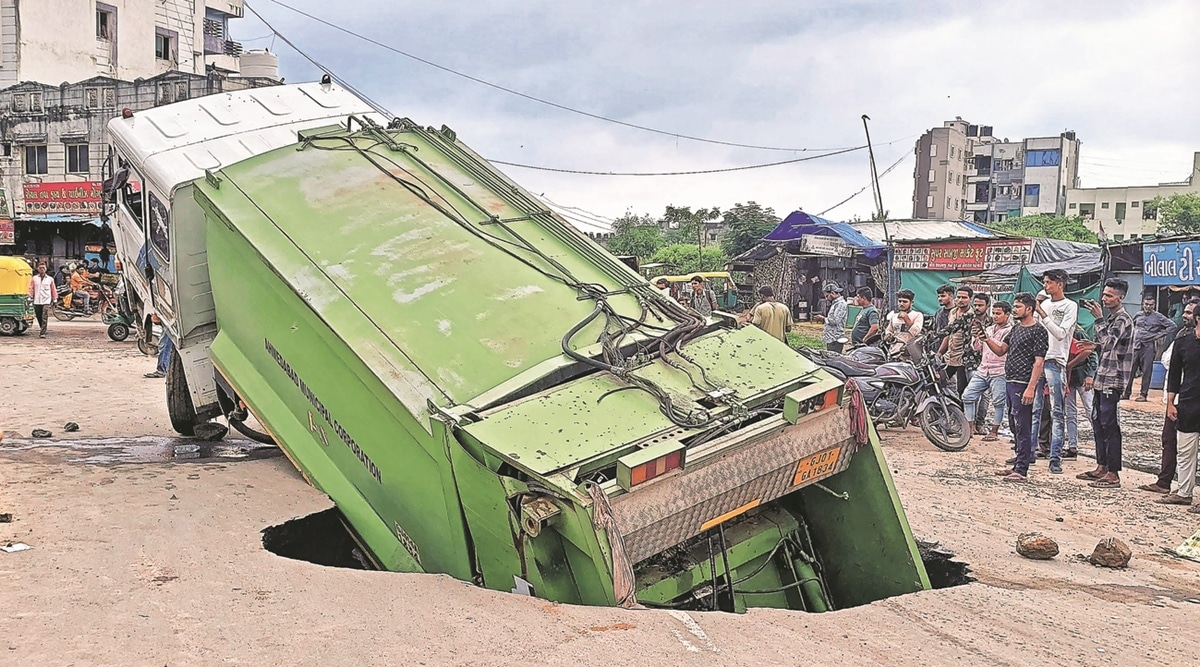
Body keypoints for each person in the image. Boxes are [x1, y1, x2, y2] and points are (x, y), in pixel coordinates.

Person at [1078, 279, 1135, 489]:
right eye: (1104, 294)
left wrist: (1099, 319)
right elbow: (1104, 346)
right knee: (1098, 423)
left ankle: (1113, 473)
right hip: (1102, 378)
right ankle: (1101, 466)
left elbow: (1108, 343)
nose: (1104, 298)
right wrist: (1093, 345)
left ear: (1121, 297)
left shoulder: (1122, 319)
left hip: (1114, 380)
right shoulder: (1112, 319)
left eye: (1109, 295)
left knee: (1110, 425)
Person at [1141, 299, 1197, 494]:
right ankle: (1170, 484)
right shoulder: (1182, 337)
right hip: (1179, 400)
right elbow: (1169, 365)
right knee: (1174, 443)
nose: (1186, 316)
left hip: (1189, 398)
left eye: (1190, 313)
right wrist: (1171, 401)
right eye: (1187, 312)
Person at [996, 293, 1048, 482]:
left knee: (1023, 425)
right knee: (1013, 423)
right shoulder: (1016, 328)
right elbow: (1001, 350)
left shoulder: (1038, 331)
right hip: (1010, 380)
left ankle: (1022, 469)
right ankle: (1018, 462)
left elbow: (1039, 362)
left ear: (1029, 309)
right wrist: (985, 339)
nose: (1015, 310)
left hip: (1024, 382)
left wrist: (1031, 387)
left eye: (1018, 307)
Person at [1155, 301, 1200, 513]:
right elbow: (1173, 374)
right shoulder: (1183, 342)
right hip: (1188, 403)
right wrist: (1170, 403)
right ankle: (1184, 493)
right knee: (1185, 451)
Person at [1031, 269, 1077, 475]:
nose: (1046, 286)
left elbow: (1060, 333)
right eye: (1044, 282)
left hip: (1056, 360)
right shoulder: (1044, 304)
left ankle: (1055, 458)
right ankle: (1028, 453)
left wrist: (1042, 313)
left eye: (1049, 282)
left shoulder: (1070, 306)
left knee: (1057, 412)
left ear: (1060, 284)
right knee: (1034, 410)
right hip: (1039, 360)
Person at [963, 300, 1012, 441]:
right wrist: (977, 337)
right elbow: (977, 348)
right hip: (984, 369)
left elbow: (1001, 350)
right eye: (994, 313)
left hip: (1000, 370)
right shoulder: (989, 329)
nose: (995, 316)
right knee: (967, 396)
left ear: (1007, 315)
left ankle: (994, 431)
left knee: (998, 402)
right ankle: (970, 427)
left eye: (999, 314)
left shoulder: (1009, 331)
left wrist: (986, 338)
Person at [1127, 294, 1175, 401]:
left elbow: (1172, 326)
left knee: (1146, 370)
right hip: (1136, 345)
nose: (1148, 307)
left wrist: (1157, 335)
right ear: (1142, 304)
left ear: (1154, 305)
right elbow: (1132, 326)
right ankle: (1126, 393)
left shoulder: (1158, 317)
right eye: (1146, 304)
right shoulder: (1138, 315)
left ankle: (1143, 394)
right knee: (1131, 370)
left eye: (1151, 305)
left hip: (1148, 346)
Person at [1063, 330, 1099, 460]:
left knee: (1090, 410)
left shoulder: (1078, 333)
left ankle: (1101, 444)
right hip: (1068, 377)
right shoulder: (1059, 333)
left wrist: (1090, 375)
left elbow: (1092, 354)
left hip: (1082, 375)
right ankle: (1072, 446)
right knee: (1070, 412)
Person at [938, 286, 974, 395]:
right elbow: (948, 334)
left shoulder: (971, 315)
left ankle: (963, 412)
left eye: (964, 297)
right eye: (959, 297)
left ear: (970, 299)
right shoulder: (953, 312)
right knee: (940, 381)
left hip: (963, 357)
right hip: (950, 355)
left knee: (962, 388)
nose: (961, 300)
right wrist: (940, 352)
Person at [883, 289, 924, 358]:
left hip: (910, 354)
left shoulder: (917, 315)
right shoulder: (894, 316)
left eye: (905, 302)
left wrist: (906, 319)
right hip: (894, 352)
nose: (901, 304)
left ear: (912, 303)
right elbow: (889, 330)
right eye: (900, 301)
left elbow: (916, 332)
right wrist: (888, 335)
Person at [813, 282, 847, 352]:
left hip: (835, 338)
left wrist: (823, 318)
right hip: (831, 337)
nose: (826, 298)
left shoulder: (841, 304)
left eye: (827, 296)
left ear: (832, 293)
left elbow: (835, 321)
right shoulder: (835, 303)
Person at [27, 262, 57, 338]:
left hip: (46, 300)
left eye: (43, 268)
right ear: (38, 269)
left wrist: (55, 298)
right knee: (38, 315)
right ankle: (42, 328)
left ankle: (42, 332)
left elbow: (53, 289)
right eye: (40, 268)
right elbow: (31, 288)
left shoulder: (50, 279)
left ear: (46, 269)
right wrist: (30, 296)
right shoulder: (34, 278)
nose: (42, 269)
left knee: (44, 315)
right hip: (37, 300)